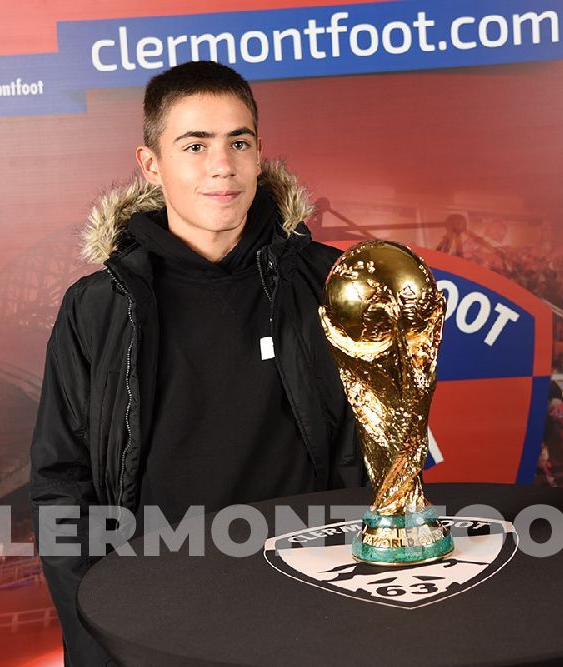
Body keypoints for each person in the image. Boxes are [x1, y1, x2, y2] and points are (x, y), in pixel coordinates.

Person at [29, 61, 367, 666]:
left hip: (313, 609)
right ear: (151, 164)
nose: (222, 166)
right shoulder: (97, 309)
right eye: (195, 145)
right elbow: (62, 486)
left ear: (260, 153)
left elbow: (376, 447)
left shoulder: (329, 283)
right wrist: (96, 637)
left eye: (239, 141)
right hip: (161, 618)